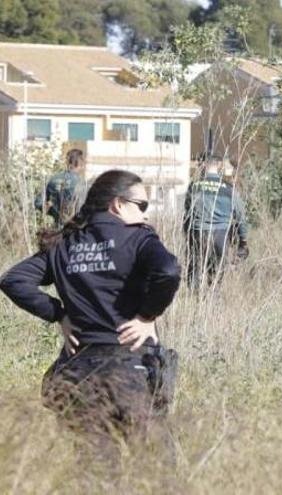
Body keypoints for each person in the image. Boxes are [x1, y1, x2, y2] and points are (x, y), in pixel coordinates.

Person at [0, 170, 181, 459]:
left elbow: (12, 280)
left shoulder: (63, 244)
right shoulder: (139, 239)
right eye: (142, 206)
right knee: (156, 471)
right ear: (118, 204)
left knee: (95, 474)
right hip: (131, 370)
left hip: (80, 374)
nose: (145, 215)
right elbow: (169, 270)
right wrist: (147, 316)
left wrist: (59, 314)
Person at [183, 156, 249, 286]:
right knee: (216, 274)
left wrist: (186, 235)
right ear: (219, 167)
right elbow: (240, 215)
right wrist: (243, 240)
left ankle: (194, 299)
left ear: (204, 166)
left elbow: (187, 213)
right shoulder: (229, 188)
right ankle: (213, 299)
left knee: (194, 268)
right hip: (220, 235)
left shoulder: (194, 186)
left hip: (197, 233)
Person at [36, 148, 86, 227]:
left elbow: (38, 202)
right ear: (80, 163)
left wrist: (52, 210)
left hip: (57, 228)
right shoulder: (81, 183)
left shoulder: (54, 179)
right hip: (74, 229)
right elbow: (82, 209)